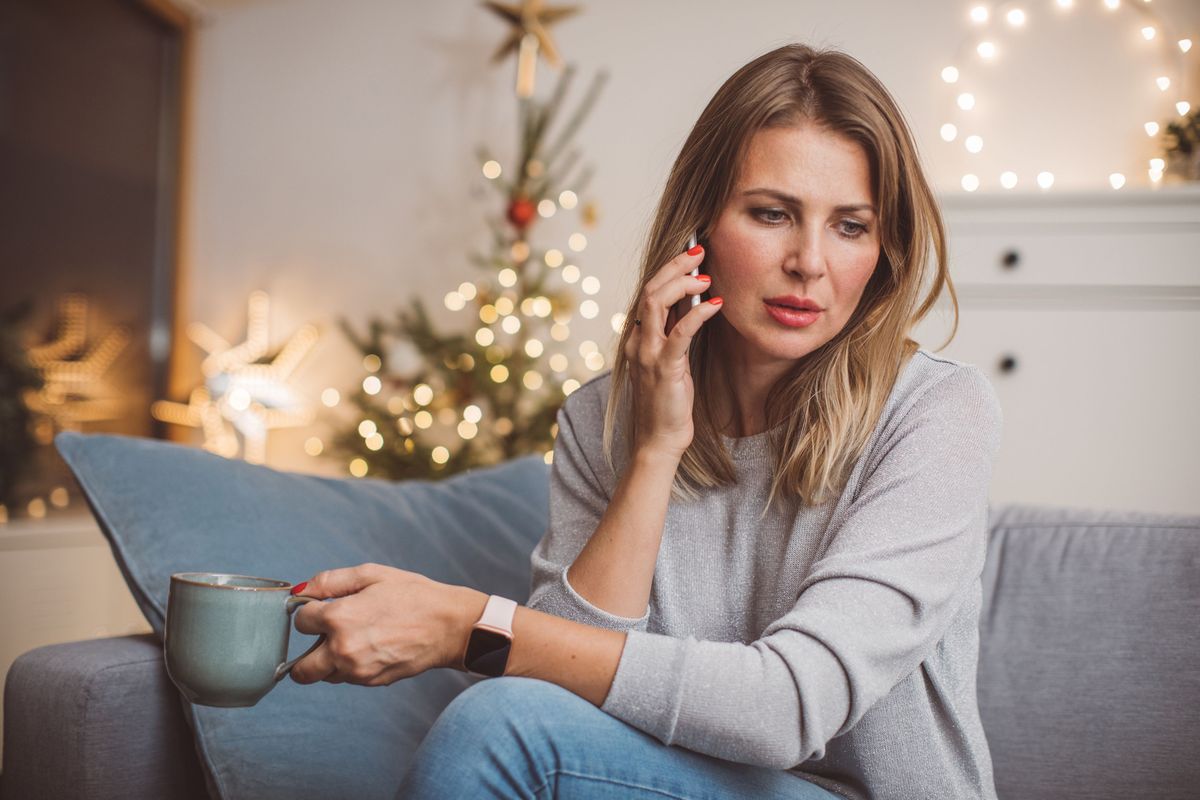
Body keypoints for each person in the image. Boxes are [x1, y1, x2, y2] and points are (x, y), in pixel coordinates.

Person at [289, 42, 1003, 800]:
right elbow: (552, 688)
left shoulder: (934, 414)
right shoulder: (604, 417)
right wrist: (656, 450)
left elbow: (792, 707)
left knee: (496, 728)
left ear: (883, 250)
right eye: (772, 214)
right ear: (700, 225)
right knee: (507, 715)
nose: (809, 262)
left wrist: (471, 626)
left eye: (850, 227)